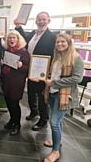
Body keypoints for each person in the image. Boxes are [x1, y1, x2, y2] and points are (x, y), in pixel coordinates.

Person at [43, 33, 84, 161]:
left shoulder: (76, 58)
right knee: (57, 121)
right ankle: (58, 140)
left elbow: (77, 78)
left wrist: (53, 83)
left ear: (69, 43)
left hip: (65, 96)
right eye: (57, 42)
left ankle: (55, 151)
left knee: (54, 122)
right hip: (53, 92)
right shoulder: (57, 57)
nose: (59, 44)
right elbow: (53, 74)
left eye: (63, 42)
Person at [14, 12, 56, 131]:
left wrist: (48, 72)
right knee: (31, 91)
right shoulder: (33, 33)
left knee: (42, 95)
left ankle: (43, 119)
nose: (41, 22)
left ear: (48, 21)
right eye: (39, 20)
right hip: (31, 67)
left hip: (43, 70)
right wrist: (18, 27)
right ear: (36, 21)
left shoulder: (52, 37)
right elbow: (24, 40)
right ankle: (34, 112)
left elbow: (53, 55)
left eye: (44, 19)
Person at [1, 30, 30, 135]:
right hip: (7, 81)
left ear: (18, 39)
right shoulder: (8, 51)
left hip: (17, 82)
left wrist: (21, 66)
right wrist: (2, 63)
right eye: (10, 38)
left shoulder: (23, 52)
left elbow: (28, 69)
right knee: (8, 101)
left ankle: (17, 124)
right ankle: (12, 120)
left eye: (14, 38)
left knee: (14, 103)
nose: (12, 40)